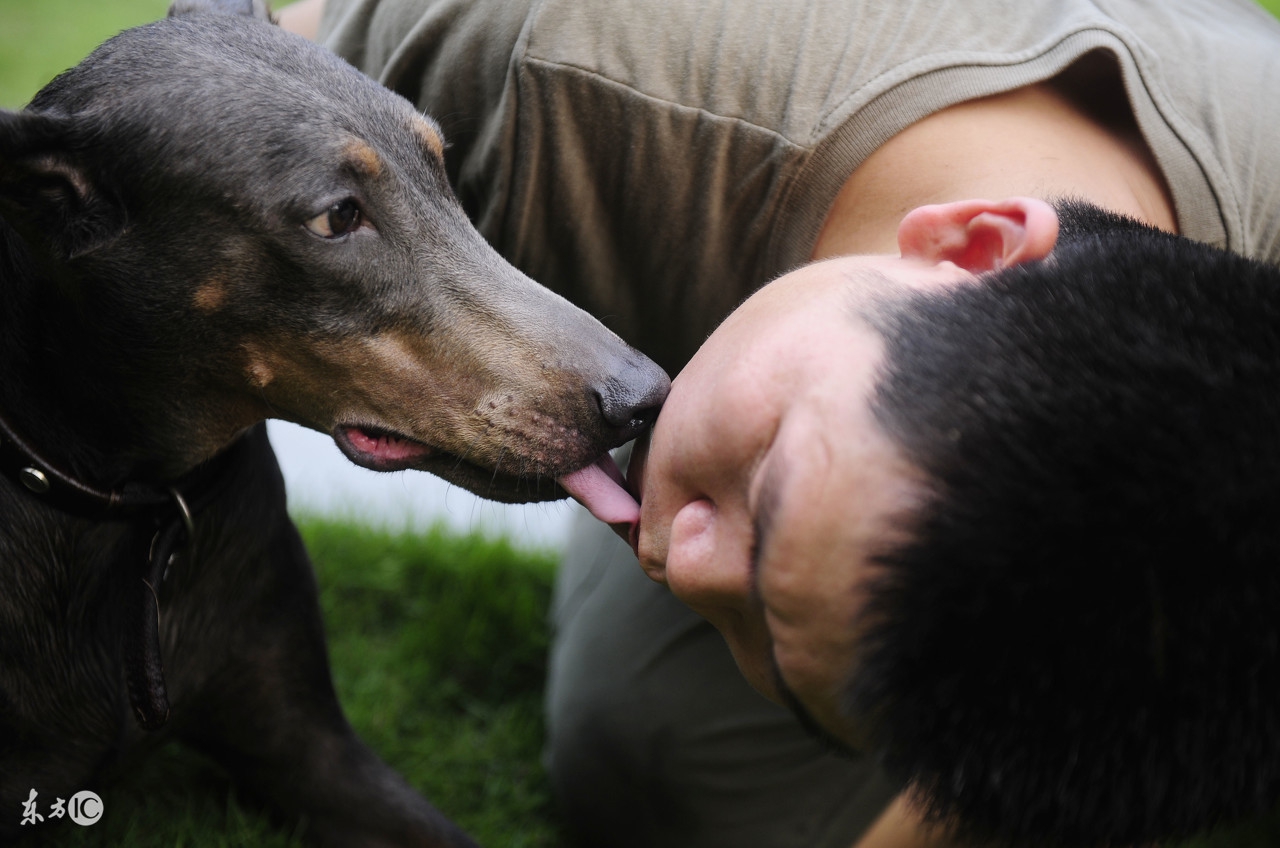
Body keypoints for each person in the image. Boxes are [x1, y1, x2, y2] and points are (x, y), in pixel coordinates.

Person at [278, 1, 1280, 846]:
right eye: (773, 484)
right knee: (640, 752)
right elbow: (201, 127)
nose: (669, 554)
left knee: (670, 765)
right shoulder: (557, 65)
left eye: (760, 631)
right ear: (973, 245)